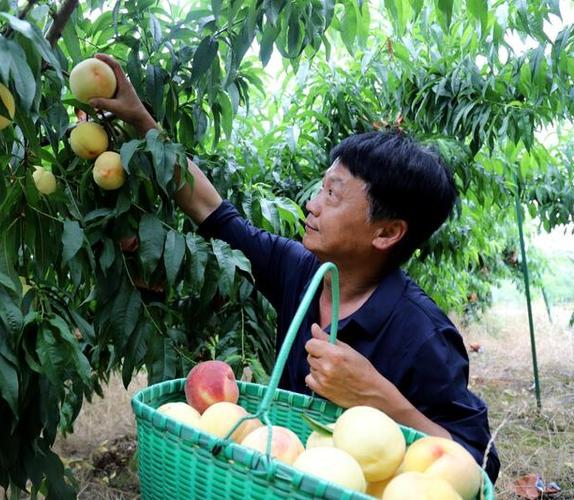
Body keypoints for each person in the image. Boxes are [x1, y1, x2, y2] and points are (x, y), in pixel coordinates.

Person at [88, 54, 500, 483]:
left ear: (386, 232)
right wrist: (141, 120)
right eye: (320, 187)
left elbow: (477, 467)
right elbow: (212, 210)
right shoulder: (301, 269)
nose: (312, 204)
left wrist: (378, 398)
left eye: (333, 195)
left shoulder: (422, 335)